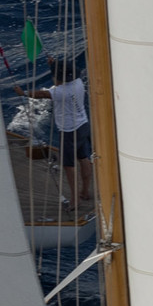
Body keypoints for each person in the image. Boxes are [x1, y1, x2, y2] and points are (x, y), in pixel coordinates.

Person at [50, 57, 93, 211]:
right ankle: (85, 192)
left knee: (69, 166)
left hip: (69, 132)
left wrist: (23, 92)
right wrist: (54, 64)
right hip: (83, 126)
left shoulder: (60, 92)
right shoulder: (78, 83)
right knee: (84, 158)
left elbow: (40, 94)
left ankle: (75, 201)